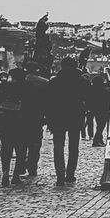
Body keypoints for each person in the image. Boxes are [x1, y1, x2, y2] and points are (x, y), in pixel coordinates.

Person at [45, 57, 88, 185]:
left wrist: (49, 118)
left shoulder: (55, 82)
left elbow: (48, 102)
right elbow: (88, 98)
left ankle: (59, 174)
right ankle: (70, 174)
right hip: (76, 115)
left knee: (58, 146)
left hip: (58, 116)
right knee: (73, 146)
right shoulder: (82, 81)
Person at [0, 68, 33, 186]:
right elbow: (32, 106)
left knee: (6, 149)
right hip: (22, 123)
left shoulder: (4, 87)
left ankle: (5, 173)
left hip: (6, 122)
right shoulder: (28, 87)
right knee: (21, 151)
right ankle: (16, 175)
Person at [86, 71, 110, 146]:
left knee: (99, 125)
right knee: (101, 126)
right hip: (103, 110)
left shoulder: (90, 90)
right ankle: (96, 140)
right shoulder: (103, 91)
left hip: (93, 109)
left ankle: (99, 140)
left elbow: (87, 99)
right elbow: (108, 98)